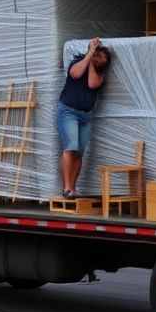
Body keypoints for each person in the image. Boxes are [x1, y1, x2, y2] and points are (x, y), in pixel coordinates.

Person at [57, 38, 111, 198]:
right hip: (68, 111)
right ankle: (66, 187)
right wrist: (90, 53)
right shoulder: (78, 62)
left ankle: (73, 188)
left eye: (102, 57)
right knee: (70, 147)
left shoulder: (99, 74)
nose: (99, 58)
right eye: (97, 55)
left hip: (85, 115)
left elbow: (92, 84)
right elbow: (75, 74)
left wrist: (93, 63)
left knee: (79, 152)